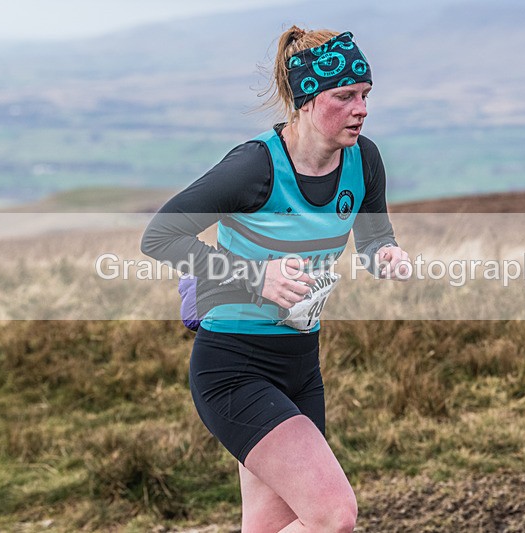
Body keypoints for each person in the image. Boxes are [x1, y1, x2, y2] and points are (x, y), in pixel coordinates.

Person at [141, 26, 410, 532]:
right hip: (234, 366)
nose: (361, 109)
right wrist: (255, 277)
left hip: (302, 365)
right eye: (345, 96)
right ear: (306, 99)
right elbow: (159, 237)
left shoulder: (364, 159)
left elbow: (374, 240)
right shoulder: (254, 166)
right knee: (333, 516)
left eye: (366, 95)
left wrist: (387, 256)